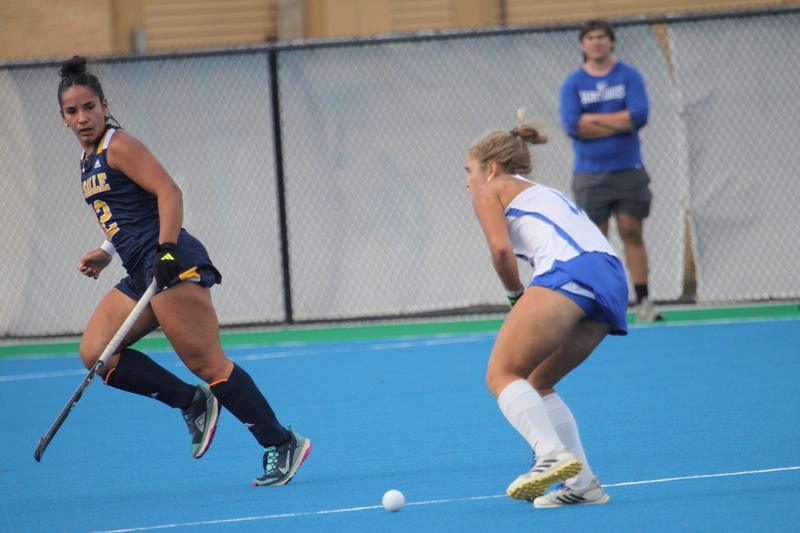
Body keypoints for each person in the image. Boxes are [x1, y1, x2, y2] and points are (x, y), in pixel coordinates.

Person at [57, 55, 310, 486]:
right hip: (139, 269)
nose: (83, 118)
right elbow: (125, 211)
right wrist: (106, 250)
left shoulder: (119, 145)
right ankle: (192, 402)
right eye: (72, 111)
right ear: (62, 117)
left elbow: (168, 191)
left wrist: (168, 250)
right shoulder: (87, 161)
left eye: (89, 107)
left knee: (207, 362)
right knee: (97, 353)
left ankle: (281, 443)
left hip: (169, 263)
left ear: (104, 104)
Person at [465, 123, 628, 507]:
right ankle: (584, 485)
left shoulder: (491, 189)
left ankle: (549, 454)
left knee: (502, 373)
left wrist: (515, 296)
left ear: (490, 168)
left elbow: (501, 252)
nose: (467, 182)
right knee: (538, 381)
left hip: (571, 271)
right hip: (611, 279)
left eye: (468, 171)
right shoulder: (543, 192)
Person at [559, 19, 663, 322]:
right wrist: (619, 121)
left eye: (602, 37)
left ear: (611, 41)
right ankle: (599, 302)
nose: (596, 42)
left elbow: (639, 116)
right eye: (590, 37)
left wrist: (594, 121)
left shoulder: (628, 76)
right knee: (595, 239)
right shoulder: (573, 83)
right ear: (583, 44)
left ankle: (644, 301)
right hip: (590, 175)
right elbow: (572, 125)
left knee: (632, 233)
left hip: (628, 171)